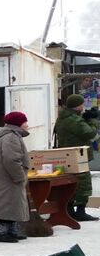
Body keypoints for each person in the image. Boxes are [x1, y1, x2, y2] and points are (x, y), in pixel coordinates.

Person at [53, 94, 97, 222]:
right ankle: (80, 211)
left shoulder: (64, 118)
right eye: (82, 104)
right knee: (83, 183)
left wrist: (84, 118)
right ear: (77, 106)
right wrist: (93, 120)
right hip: (77, 157)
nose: (83, 106)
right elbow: (90, 133)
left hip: (68, 156)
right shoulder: (73, 120)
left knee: (71, 183)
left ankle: (70, 210)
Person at [0, 111, 31, 243]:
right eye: (25, 121)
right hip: (8, 176)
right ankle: (1, 233)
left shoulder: (11, 135)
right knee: (7, 203)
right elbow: (11, 159)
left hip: (5, 175)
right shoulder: (11, 137)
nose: (27, 125)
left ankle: (12, 231)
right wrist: (19, 176)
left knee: (13, 203)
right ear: (18, 123)